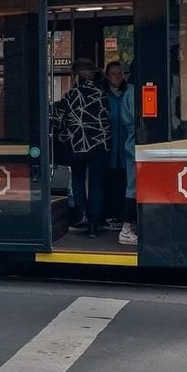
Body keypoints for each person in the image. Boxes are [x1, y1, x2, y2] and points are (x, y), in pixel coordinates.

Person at [51, 57, 111, 237]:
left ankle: (82, 214)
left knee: (77, 179)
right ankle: (94, 224)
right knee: (96, 184)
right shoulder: (102, 95)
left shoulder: (71, 96)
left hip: (78, 146)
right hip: (101, 145)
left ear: (76, 76)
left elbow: (58, 119)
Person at [102, 60, 137, 246]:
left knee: (125, 181)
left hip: (124, 145)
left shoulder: (126, 92)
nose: (117, 77)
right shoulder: (105, 95)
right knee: (114, 182)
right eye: (113, 74)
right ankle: (113, 217)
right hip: (112, 145)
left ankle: (120, 217)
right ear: (107, 76)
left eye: (119, 73)